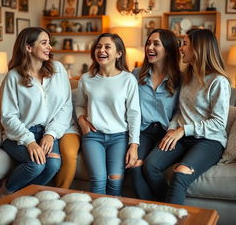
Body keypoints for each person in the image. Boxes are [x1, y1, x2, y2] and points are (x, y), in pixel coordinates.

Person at [143, 28, 231, 205]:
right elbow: (180, 111)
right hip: (182, 137)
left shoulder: (218, 81)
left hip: (209, 140)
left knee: (180, 174)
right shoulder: (186, 77)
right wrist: (171, 130)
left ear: (198, 48)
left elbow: (219, 123)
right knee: (150, 165)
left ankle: (170, 216)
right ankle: (161, 210)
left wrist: (183, 130)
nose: (180, 48)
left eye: (184, 44)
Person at [0, 27, 72, 200]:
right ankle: (6, 191)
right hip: (19, 135)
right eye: (44, 43)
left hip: (47, 132)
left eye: (49, 43)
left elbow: (66, 106)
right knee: (37, 165)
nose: (49, 47)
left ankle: (22, 197)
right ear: (28, 47)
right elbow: (8, 116)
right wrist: (29, 141)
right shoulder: (13, 77)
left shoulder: (58, 69)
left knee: (52, 165)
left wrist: (51, 134)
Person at [75, 32, 141, 196]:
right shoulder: (86, 78)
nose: (101, 50)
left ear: (119, 53)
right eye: (98, 46)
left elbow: (134, 114)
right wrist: (82, 120)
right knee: (98, 179)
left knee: (115, 179)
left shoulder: (128, 79)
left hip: (119, 137)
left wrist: (134, 145)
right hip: (93, 137)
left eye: (107, 47)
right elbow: (79, 105)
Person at [130, 28, 181, 200]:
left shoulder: (180, 78)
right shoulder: (136, 74)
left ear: (168, 49)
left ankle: (167, 208)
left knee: (149, 166)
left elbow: (180, 111)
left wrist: (173, 131)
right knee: (134, 165)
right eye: (148, 43)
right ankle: (149, 209)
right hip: (142, 131)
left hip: (166, 132)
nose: (149, 47)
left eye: (156, 44)